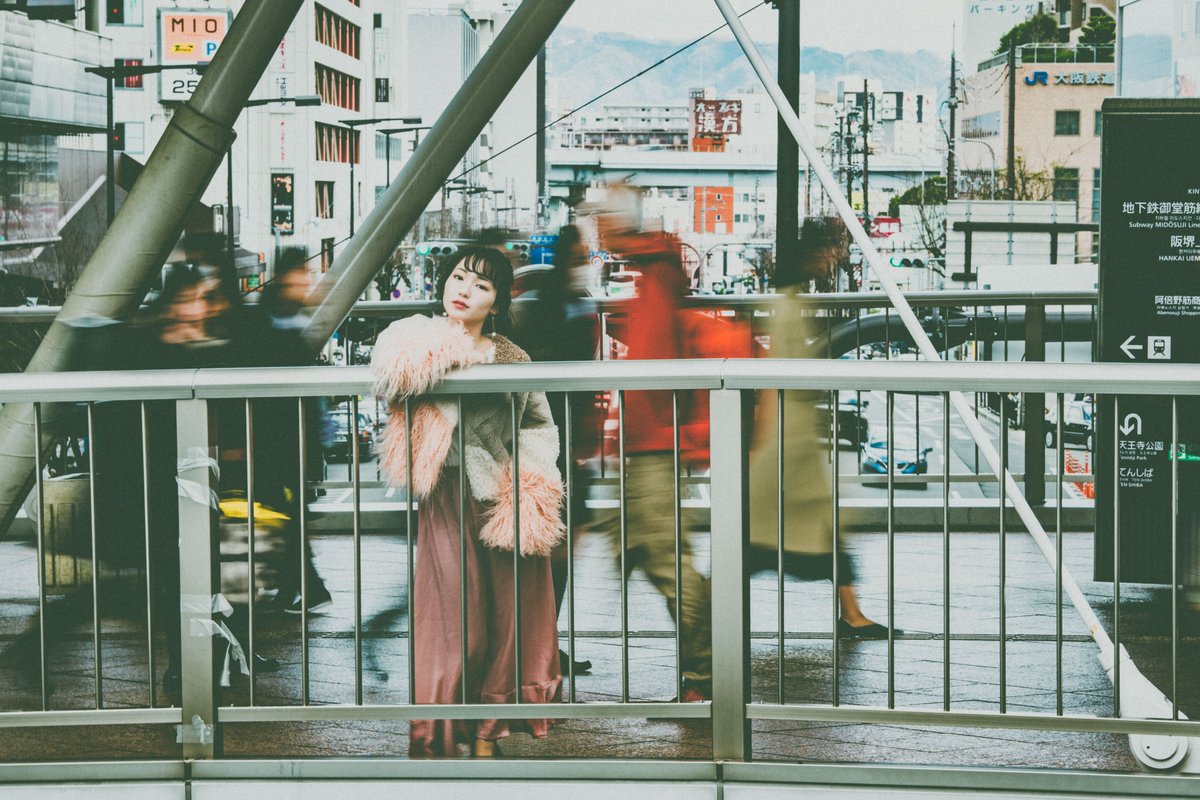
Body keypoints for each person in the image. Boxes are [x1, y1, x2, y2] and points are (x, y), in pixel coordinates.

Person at [370, 245, 564, 758]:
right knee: (456, 624)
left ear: (497, 302)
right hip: (446, 497)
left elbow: (539, 424)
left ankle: (487, 732)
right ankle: (435, 729)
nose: (464, 291)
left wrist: (530, 485)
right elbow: (392, 371)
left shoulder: (511, 356)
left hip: (504, 500)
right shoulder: (415, 337)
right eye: (458, 277)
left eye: (481, 285)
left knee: (509, 623)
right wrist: (453, 351)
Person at [597, 193, 745, 702]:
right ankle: (705, 671)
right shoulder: (651, 271)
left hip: (653, 444)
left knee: (667, 565)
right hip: (648, 442)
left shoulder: (656, 270)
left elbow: (654, 365)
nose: (597, 229)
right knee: (656, 557)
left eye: (602, 218)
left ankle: (705, 677)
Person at [747, 216, 893, 639]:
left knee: (779, 534)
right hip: (788, 441)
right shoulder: (788, 306)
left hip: (792, 439)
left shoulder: (791, 300)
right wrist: (763, 438)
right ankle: (852, 615)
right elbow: (775, 377)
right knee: (781, 535)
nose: (834, 257)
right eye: (830, 249)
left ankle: (853, 613)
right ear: (813, 253)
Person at [512, 225, 602, 675]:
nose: (585, 264)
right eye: (581, 256)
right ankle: (539, 644)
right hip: (554, 442)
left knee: (556, 546)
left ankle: (538, 642)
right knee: (557, 547)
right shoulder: (561, 305)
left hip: (556, 440)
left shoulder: (548, 300)